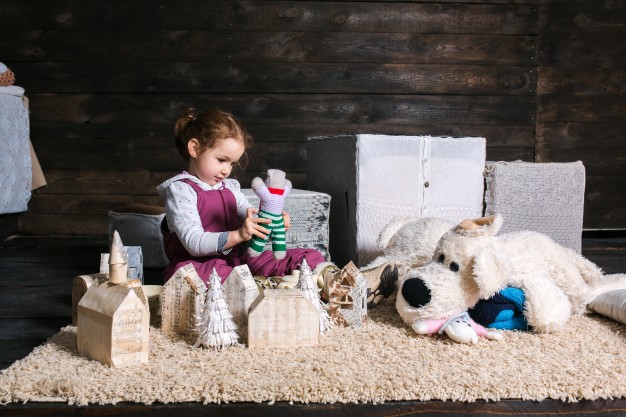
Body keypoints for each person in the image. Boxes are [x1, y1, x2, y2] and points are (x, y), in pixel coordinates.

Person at [156, 107, 329, 285]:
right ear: (195, 148)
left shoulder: (230, 188)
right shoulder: (181, 190)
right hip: (199, 265)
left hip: (239, 260)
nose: (226, 170)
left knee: (311, 256)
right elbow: (194, 242)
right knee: (194, 275)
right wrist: (238, 235)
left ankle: (314, 278)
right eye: (222, 160)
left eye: (232, 163)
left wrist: (269, 223)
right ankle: (261, 286)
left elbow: (251, 217)